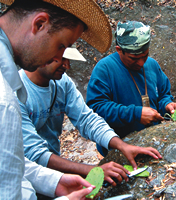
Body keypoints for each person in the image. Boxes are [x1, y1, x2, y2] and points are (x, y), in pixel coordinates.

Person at [0, 0, 114, 199]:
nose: (61, 58)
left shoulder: (58, 85)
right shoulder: (5, 101)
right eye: (62, 46)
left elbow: (11, 164)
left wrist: (54, 182)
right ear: (39, 24)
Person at [19, 47, 130, 187]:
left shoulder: (62, 82)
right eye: (60, 59)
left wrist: (122, 145)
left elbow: (86, 119)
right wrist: (93, 171)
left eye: (68, 59)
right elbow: (34, 154)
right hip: (24, 176)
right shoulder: (16, 92)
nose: (67, 65)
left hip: (53, 166)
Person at [86, 20, 176, 156]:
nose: (141, 63)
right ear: (119, 50)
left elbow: (163, 94)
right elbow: (96, 109)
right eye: (134, 58)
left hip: (152, 142)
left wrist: (167, 105)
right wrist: (135, 114)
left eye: (145, 56)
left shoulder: (152, 65)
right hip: (120, 147)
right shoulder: (104, 70)